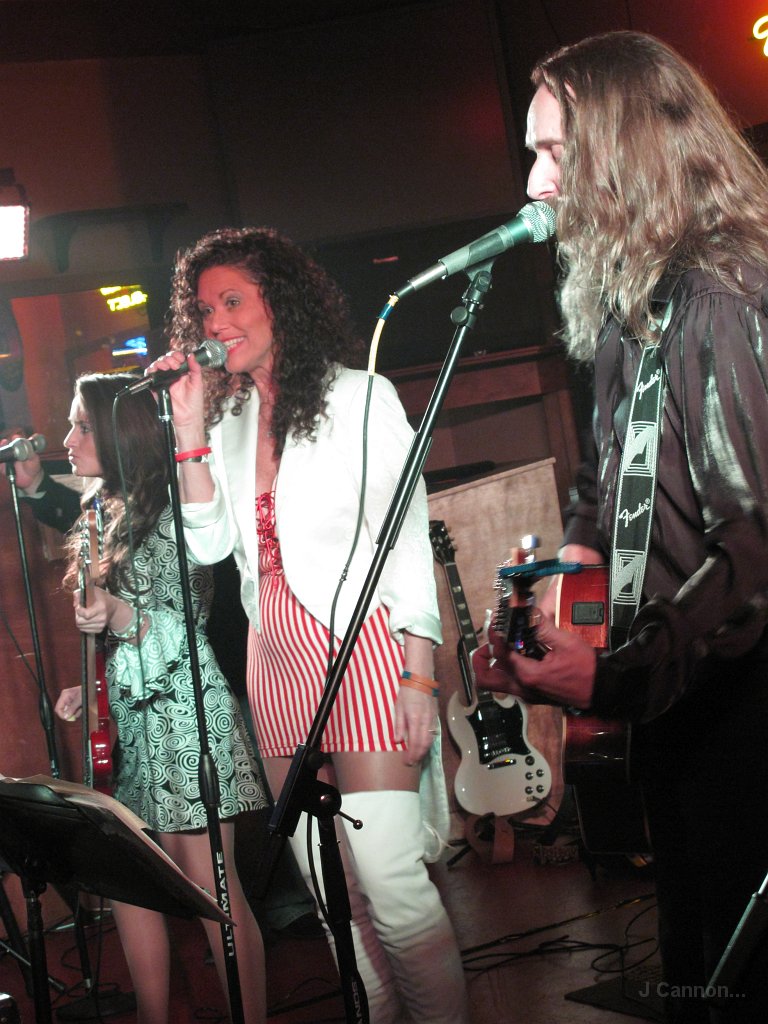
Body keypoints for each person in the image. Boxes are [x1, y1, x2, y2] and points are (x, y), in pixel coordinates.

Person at [473, 30, 768, 1024]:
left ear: (626, 147)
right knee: (691, 966)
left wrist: (611, 680)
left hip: (742, 714)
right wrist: (571, 591)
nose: (533, 181)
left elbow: (753, 547)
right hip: (676, 707)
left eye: (553, 151)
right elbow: (602, 488)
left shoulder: (719, 294)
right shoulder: (628, 307)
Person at [146, 226, 469, 1024]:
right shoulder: (227, 424)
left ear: (280, 302)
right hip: (276, 661)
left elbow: (405, 538)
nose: (216, 322)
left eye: (232, 300)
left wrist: (420, 674)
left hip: (362, 650)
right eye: (204, 309)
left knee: (391, 883)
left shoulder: (361, 397)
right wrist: (188, 433)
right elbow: (210, 547)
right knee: (334, 896)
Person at [53, 372, 268, 1024]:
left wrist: (118, 614)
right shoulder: (101, 512)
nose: (68, 439)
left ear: (119, 432)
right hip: (132, 722)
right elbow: (124, 633)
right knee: (130, 883)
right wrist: (92, 686)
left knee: (211, 892)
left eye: (81, 425)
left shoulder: (174, 509)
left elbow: (182, 627)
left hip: (185, 717)